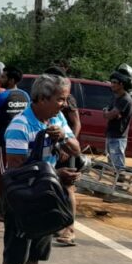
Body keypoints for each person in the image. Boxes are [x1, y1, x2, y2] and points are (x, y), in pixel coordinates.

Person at [0, 74, 80, 264]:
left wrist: (64, 139)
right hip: (23, 198)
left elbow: (76, 149)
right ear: (42, 98)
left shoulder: (57, 119)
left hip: (45, 197)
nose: (63, 105)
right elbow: (17, 169)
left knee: (35, 253)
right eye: (60, 99)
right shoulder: (19, 126)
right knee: (15, 254)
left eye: (64, 99)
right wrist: (57, 175)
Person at [0, 65, 29, 215]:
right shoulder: (25, 96)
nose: (0, 79)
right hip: (22, 140)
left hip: (3, 140)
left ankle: (5, 211)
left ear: (11, 80)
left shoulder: (1, 96)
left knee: (3, 174)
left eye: (3, 77)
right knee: (18, 173)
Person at [45, 65, 81, 246]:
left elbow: (76, 123)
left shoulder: (68, 99)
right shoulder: (47, 98)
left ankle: (70, 229)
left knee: (68, 188)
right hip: (53, 151)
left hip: (66, 149)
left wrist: (67, 147)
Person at [104, 70, 132, 171]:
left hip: (118, 137)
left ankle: (120, 186)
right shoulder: (116, 97)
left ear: (121, 84)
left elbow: (109, 115)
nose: (111, 84)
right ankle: (115, 185)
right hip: (111, 135)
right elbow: (109, 113)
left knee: (118, 167)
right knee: (112, 165)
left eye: (114, 82)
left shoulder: (125, 99)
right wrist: (108, 113)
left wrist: (107, 113)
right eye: (111, 82)